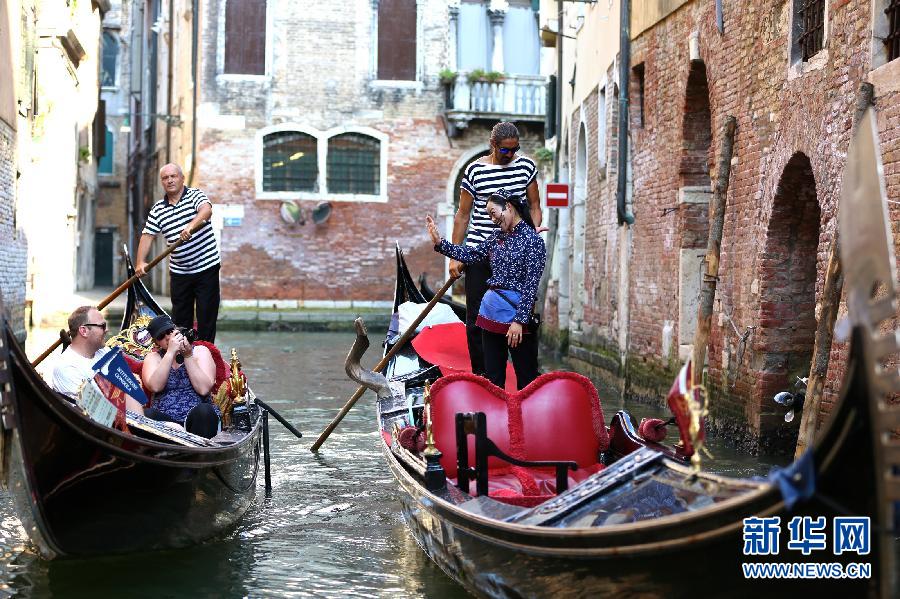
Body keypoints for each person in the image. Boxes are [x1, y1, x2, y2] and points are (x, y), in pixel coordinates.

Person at [427, 189, 546, 390]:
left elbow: (531, 285)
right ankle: (494, 409)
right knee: (493, 379)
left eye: (493, 213)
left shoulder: (533, 241)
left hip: (518, 319)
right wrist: (440, 244)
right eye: (489, 215)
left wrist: (519, 321)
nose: (492, 219)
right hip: (490, 316)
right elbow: (472, 254)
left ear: (508, 206)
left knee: (527, 380)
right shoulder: (496, 237)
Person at [452, 122, 542, 376]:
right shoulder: (475, 171)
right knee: (476, 317)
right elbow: (463, 215)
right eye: (505, 150)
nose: (511, 155)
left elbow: (535, 206)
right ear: (493, 145)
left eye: (515, 150)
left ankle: (524, 375)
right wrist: (454, 257)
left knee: (521, 309)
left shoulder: (526, 167)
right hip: (480, 250)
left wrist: (532, 236)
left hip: (515, 253)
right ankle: (482, 375)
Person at [135, 163, 221, 343]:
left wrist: (190, 226)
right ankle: (182, 353)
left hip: (206, 267)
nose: (170, 180)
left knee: (206, 314)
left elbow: (206, 210)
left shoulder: (195, 195)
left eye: (173, 176)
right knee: (180, 320)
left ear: (182, 178)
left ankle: (206, 352)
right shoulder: (158, 209)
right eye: (165, 178)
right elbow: (147, 235)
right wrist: (140, 262)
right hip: (180, 272)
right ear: (162, 182)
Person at [51, 306, 144, 413]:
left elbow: (132, 387)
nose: (107, 330)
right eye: (102, 326)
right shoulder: (66, 368)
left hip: (131, 416)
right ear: (84, 331)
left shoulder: (105, 351)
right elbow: (97, 412)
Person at [140, 315, 221, 439]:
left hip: (197, 417)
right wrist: (170, 353)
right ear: (156, 342)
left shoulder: (200, 351)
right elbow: (155, 387)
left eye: (169, 331)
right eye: (161, 336)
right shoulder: (153, 358)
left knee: (204, 411)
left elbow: (204, 389)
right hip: (166, 424)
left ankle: (199, 448)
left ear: (176, 330)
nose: (168, 337)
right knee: (147, 414)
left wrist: (187, 356)